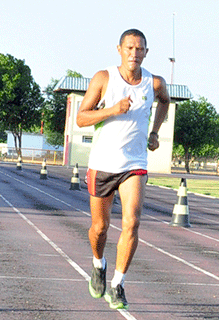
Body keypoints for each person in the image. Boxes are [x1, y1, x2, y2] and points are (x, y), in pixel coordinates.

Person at [76, 29, 170, 310]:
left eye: (139, 49)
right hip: (103, 164)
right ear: (119, 49)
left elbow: (165, 101)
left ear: (146, 52)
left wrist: (154, 132)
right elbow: (81, 118)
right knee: (99, 228)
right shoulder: (104, 78)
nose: (134, 54)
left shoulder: (154, 84)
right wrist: (113, 110)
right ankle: (98, 263)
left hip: (135, 164)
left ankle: (117, 283)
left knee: (132, 221)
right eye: (129, 48)